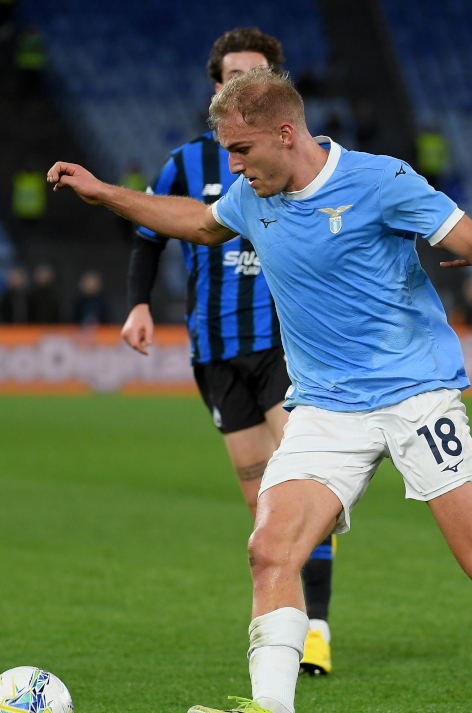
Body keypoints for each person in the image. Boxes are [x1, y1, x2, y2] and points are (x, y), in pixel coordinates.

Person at [49, 65, 472, 713]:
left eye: (240, 151)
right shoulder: (252, 195)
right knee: (270, 548)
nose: (231, 167)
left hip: (417, 393)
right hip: (325, 408)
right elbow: (200, 224)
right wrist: (105, 196)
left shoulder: (381, 182)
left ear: (285, 131)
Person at [121, 28, 337, 677]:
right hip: (214, 350)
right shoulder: (186, 163)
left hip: (283, 346)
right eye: (231, 77)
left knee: (302, 486)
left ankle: (317, 631)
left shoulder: (305, 158)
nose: (242, 86)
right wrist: (137, 304)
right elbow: (148, 234)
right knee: (262, 505)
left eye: (256, 75)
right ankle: (287, 625)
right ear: (216, 88)